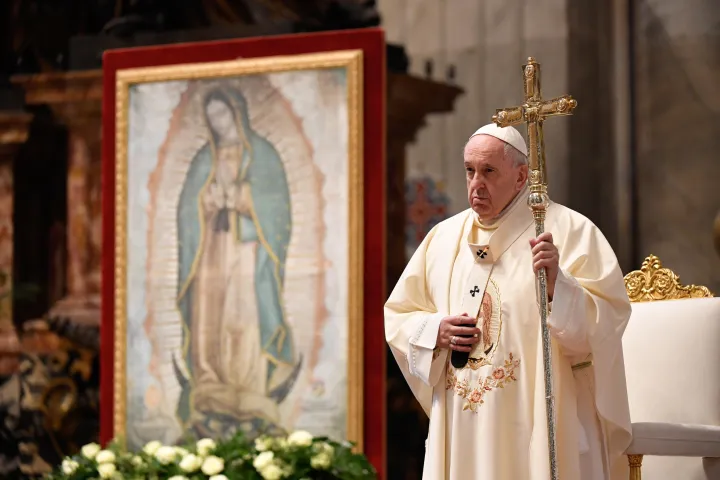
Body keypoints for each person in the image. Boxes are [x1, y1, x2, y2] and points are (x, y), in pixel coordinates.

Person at [385, 124, 632, 479]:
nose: (476, 184)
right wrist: (434, 331)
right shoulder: (443, 238)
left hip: (535, 414)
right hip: (462, 420)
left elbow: (606, 321)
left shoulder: (569, 231)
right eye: (470, 170)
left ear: (520, 177)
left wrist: (558, 286)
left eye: (489, 171)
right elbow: (399, 314)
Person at [174, 88, 301, 437]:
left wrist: (242, 198)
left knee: (243, 314)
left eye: (223, 115)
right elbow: (187, 209)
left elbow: (276, 207)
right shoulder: (204, 159)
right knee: (209, 317)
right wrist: (207, 201)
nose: (218, 123)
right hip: (210, 251)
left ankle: (248, 389)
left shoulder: (262, 154)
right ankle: (210, 385)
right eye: (212, 118)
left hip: (247, 250)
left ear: (237, 113)